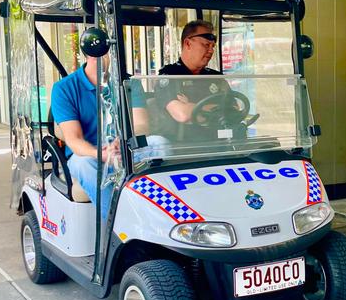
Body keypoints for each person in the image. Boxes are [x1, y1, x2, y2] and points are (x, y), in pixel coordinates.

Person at [51, 53, 166, 217]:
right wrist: (100, 154)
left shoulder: (128, 84)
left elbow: (141, 124)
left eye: (107, 51)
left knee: (160, 143)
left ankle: (164, 218)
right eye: (99, 51)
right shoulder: (64, 88)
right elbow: (73, 139)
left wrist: (123, 142)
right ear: (87, 53)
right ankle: (117, 224)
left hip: (124, 149)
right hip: (88, 155)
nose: (104, 56)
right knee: (85, 165)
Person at [154, 19, 234, 141]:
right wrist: (218, 108)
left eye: (213, 46)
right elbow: (183, 114)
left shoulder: (216, 77)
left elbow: (234, 110)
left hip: (221, 143)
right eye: (206, 45)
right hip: (185, 150)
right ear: (188, 44)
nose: (211, 50)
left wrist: (192, 106)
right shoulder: (169, 76)